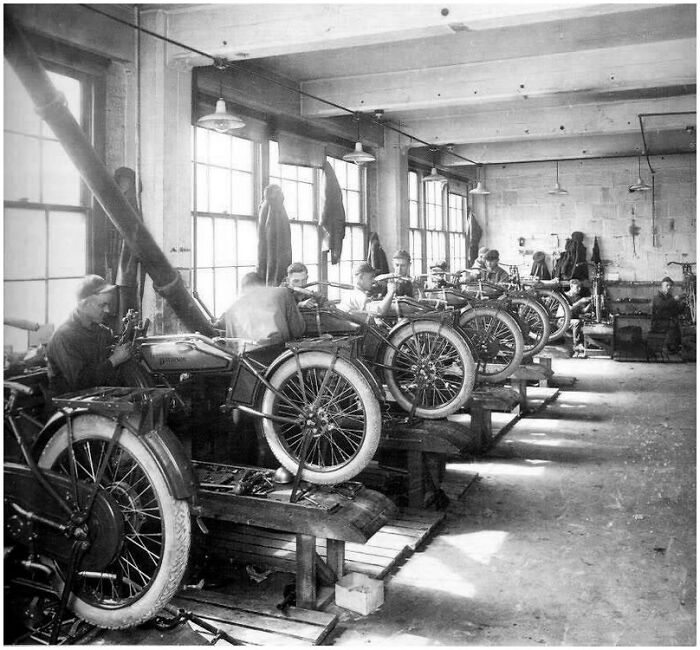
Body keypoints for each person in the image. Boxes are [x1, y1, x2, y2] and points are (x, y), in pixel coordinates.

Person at [47, 274, 133, 396]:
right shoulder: (63, 337)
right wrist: (114, 360)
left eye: (108, 305)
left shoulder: (103, 332)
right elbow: (79, 383)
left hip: (95, 400)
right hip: (68, 406)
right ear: (84, 305)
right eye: (102, 305)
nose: (107, 310)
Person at [213, 272, 305, 345]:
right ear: (263, 285)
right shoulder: (283, 292)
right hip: (278, 352)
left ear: (243, 289)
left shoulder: (231, 309)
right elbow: (298, 330)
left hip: (249, 360)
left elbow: (232, 343)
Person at [650, 276, 683, 353]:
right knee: (672, 326)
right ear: (662, 286)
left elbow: (676, 311)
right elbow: (662, 305)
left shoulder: (670, 297)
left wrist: (683, 304)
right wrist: (674, 300)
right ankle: (670, 347)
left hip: (668, 321)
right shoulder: (657, 297)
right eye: (667, 285)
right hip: (658, 322)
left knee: (677, 325)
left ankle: (674, 347)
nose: (669, 287)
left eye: (670, 286)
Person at [564, 278, 592, 357]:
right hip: (562, 321)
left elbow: (583, 310)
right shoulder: (565, 296)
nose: (579, 289)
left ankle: (584, 347)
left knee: (585, 322)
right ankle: (576, 347)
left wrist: (590, 303)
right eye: (577, 287)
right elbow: (568, 308)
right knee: (576, 322)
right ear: (571, 286)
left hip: (572, 320)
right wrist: (580, 302)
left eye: (580, 287)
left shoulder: (578, 297)